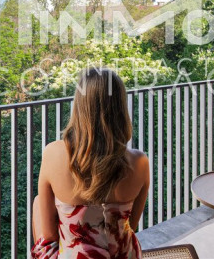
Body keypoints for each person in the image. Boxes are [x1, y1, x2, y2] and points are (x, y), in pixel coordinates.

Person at [32, 68, 149, 259]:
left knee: (39, 202)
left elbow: (50, 234)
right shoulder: (140, 162)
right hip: (122, 254)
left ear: (79, 106)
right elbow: (131, 225)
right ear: (120, 108)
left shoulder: (53, 153)